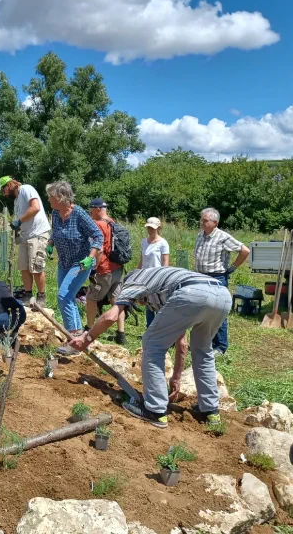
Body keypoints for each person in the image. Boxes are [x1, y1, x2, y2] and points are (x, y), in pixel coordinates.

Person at [58, 267, 229, 430]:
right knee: (203, 350)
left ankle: (155, 411)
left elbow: (111, 316)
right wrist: (176, 377)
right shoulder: (163, 286)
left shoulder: (133, 281)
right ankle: (210, 411)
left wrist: (86, 339)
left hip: (192, 294)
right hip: (222, 295)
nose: (139, 303)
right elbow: (182, 343)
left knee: (152, 342)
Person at [45, 182, 102, 338]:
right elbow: (56, 231)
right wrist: (51, 243)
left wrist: (91, 258)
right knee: (67, 298)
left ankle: (72, 336)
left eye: (51, 196)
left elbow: (98, 235)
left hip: (81, 262)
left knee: (64, 296)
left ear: (60, 197)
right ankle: (76, 336)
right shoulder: (56, 213)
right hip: (64, 262)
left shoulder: (79, 214)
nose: (49, 199)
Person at [193, 208, 250, 356]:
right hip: (200, 277)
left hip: (216, 277)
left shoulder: (223, 237)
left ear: (215, 223)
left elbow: (245, 250)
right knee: (203, 311)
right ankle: (207, 342)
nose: (202, 223)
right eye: (202, 219)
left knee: (218, 311)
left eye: (205, 220)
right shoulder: (200, 235)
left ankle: (220, 346)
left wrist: (232, 268)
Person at [0, 176, 51, 310]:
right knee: (23, 267)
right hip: (25, 235)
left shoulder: (26, 189)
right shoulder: (16, 200)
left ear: (8, 185)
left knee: (36, 267)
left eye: (3, 190)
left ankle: (41, 297)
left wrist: (19, 221)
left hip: (37, 233)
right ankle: (27, 295)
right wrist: (17, 229)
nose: (4, 194)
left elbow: (35, 208)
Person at [85, 199, 126, 345]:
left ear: (97, 209)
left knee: (91, 298)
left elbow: (99, 249)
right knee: (117, 301)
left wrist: (95, 268)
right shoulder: (113, 222)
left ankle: (89, 329)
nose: (89, 212)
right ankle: (121, 334)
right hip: (118, 268)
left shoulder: (98, 225)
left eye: (90, 209)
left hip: (105, 269)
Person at [139, 217, 171, 326]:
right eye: (148, 227)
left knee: (159, 305)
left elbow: (165, 262)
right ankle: (150, 329)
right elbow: (142, 260)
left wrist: (163, 279)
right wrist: (136, 274)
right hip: (145, 277)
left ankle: (160, 330)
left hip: (158, 277)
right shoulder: (144, 242)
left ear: (158, 228)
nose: (150, 230)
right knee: (148, 304)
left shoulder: (163, 243)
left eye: (152, 228)